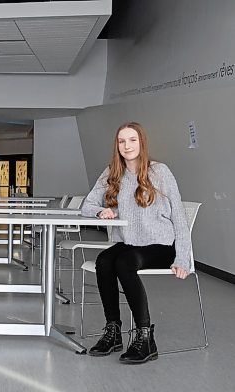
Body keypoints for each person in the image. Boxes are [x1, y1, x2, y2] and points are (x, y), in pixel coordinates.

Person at [81, 121, 191, 364]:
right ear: (117, 145)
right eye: (122, 141)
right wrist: (101, 211)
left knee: (124, 263)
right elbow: (86, 205)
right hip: (130, 242)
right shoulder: (112, 172)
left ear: (142, 143)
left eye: (132, 140)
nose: (127, 145)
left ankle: (145, 337)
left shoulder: (159, 171)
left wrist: (184, 258)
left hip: (160, 244)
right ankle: (113, 330)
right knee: (104, 261)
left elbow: (179, 216)